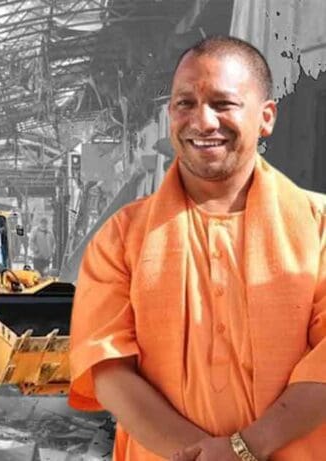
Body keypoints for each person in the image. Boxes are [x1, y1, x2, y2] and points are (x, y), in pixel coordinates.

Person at [68, 36, 326, 461]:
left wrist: (247, 448)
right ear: (170, 113)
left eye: (223, 104)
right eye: (185, 104)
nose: (202, 122)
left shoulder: (318, 229)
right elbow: (108, 369)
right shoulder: (120, 238)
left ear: (266, 117)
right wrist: (200, 454)